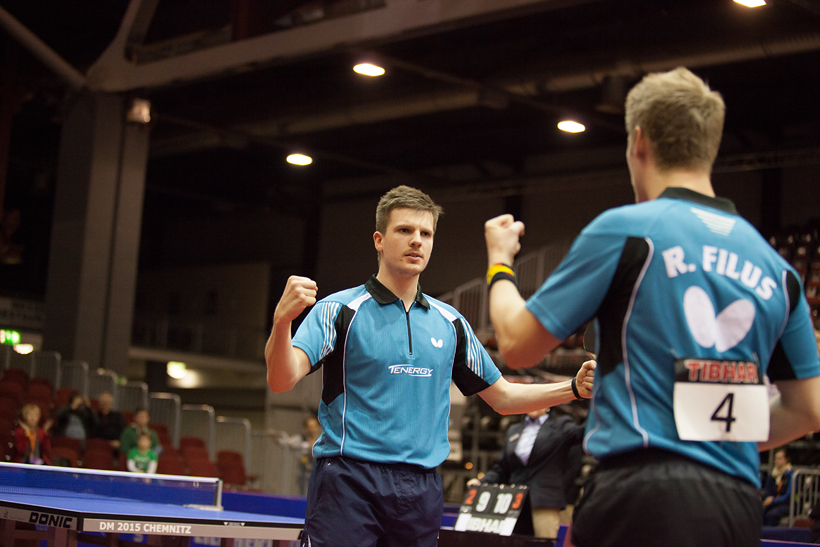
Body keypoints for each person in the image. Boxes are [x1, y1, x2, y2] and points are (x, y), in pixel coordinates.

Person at [483, 67, 820, 547]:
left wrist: (500, 262)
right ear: (710, 147)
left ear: (638, 142)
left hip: (639, 497)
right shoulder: (778, 269)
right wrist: (708, 432)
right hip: (737, 504)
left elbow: (516, 345)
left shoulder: (626, 230)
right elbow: (808, 410)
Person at [265, 185, 595, 547]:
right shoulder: (338, 309)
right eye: (404, 230)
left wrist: (574, 388)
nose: (417, 241)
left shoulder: (451, 323)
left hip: (421, 490)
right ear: (379, 239)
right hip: (348, 482)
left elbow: (502, 397)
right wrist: (282, 323)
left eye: (426, 233)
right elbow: (282, 380)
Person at [467, 406, 585, 538]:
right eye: (531, 400)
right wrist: (481, 481)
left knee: (544, 542)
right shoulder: (514, 429)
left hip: (544, 499)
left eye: (538, 401)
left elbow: (581, 433)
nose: (534, 405)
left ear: (548, 405)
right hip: (514, 499)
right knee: (512, 542)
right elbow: (503, 467)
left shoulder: (560, 425)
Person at [762, 448, 794, 526]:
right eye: (776, 458)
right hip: (772, 503)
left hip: (786, 504)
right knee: (759, 512)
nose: (777, 461)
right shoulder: (773, 475)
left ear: (786, 460)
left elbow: (788, 496)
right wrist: (768, 499)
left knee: (772, 515)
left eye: (780, 458)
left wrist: (774, 500)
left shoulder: (790, 475)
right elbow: (767, 490)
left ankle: (770, 536)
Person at [297, 416, 322, 496]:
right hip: (304, 474)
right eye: (309, 427)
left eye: (314, 427)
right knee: (304, 494)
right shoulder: (301, 439)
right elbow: (286, 442)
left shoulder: (321, 440)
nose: (312, 429)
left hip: (318, 474)